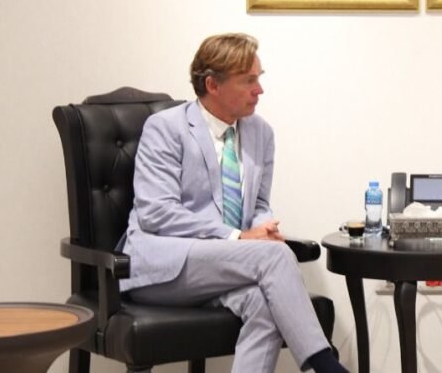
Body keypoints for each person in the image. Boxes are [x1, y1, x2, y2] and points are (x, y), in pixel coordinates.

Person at [118, 33, 347, 373]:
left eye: (259, 78)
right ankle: (324, 365)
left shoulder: (260, 133)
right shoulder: (165, 128)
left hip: (225, 265)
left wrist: (263, 228)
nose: (260, 89)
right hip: (165, 265)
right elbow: (156, 213)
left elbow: (259, 204)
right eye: (248, 80)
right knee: (275, 257)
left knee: (266, 304)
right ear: (213, 84)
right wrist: (238, 237)